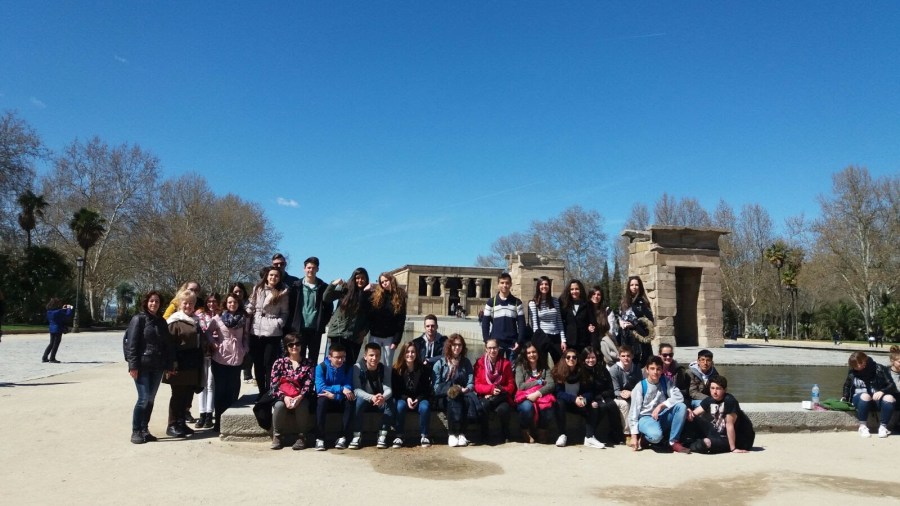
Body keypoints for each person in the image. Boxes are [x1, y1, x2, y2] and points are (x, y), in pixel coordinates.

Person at [124, 291, 174, 444]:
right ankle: (136, 430)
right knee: (143, 398)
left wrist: (169, 364)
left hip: (157, 365)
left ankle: (145, 429)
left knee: (151, 399)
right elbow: (131, 344)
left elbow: (167, 345)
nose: (154, 304)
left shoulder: (161, 322)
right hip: (142, 365)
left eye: (157, 301)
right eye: (151, 301)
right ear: (146, 302)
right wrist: (133, 365)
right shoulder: (138, 319)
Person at [204, 292, 251, 432]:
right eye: (230, 302)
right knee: (220, 391)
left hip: (237, 357)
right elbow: (207, 332)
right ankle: (218, 422)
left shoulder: (244, 318)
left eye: (235, 302)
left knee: (233, 390)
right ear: (226, 303)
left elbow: (246, 336)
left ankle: (230, 421)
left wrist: (245, 348)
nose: (232, 304)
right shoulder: (218, 318)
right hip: (220, 357)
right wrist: (213, 342)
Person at [552, 347, 613, 449]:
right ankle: (562, 435)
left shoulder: (582, 372)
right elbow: (558, 393)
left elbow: (589, 391)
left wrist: (584, 399)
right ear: (564, 359)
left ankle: (589, 437)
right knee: (559, 403)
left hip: (579, 403)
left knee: (594, 406)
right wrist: (573, 399)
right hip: (565, 403)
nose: (571, 359)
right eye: (568, 357)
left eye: (574, 357)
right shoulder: (558, 372)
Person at [163, 290, 204, 438]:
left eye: (191, 303)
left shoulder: (195, 319)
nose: (188, 305)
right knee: (178, 395)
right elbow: (169, 344)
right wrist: (171, 363)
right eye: (185, 303)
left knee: (187, 395)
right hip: (179, 363)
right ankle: (172, 424)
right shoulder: (175, 321)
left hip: (192, 363)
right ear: (180, 304)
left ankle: (181, 423)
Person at [628, 356, 690, 453]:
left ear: (662, 370)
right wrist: (634, 436)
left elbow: (679, 397)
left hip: (661, 415)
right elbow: (633, 413)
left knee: (681, 407)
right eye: (652, 369)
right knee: (656, 436)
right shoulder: (640, 386)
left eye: (658, 369)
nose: (655, 372)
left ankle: (673, 442)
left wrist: (661, 405)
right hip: (646, 418)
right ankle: (646, 438)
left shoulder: (665, 381)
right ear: (647, 370)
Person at [247, 266, 290, 396]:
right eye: (271, 275)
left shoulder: (283, 292)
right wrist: (246, 314)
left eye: (276, 276)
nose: (273, 278)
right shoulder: (258, 288)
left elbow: (285, 312)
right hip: (255, 330)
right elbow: (251, 304)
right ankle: (261, 392)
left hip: (272, 331)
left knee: (269, 364)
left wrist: (278, 324)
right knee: (258, 364)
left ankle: (269, 392)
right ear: (267, 276)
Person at [269, 334, 315, 450]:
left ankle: (302, 436)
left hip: (301, 395)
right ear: (286, 347)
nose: (294, 347)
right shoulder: (279, 363)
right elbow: (273, 385)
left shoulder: (308, 363)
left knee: (302, 406)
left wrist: (300, 397)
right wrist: (285, 397)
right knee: (279, 406)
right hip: (282, 395)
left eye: (297, 344)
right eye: (291, 344)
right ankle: (277, 436)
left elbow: (309, 384)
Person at [688, 376, 754, 453]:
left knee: (706, 443)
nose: (714, 392)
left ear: (725, 390)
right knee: (689, 417)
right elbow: (694, 414)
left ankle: (691, 444)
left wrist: (733, 448)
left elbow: (730, 425)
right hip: (714, 432)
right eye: (712, 388)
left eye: (718, 388)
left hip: (727, 438)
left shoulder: (730, 401)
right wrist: (689, 411)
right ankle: (682, 441)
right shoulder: (710, 399)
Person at [286, 256, 333, 363]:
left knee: (313, 358)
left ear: (317, 269)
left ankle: (311, 379)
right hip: (299, 328)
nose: (310, 270)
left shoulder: (323, 287)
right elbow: (290, 306)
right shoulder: (296, 286)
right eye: (308, 267)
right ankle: (299, 379)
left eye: (313, 268)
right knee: (298, 356)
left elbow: (329, 308)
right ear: (304, 268)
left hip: (315, 329)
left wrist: (322, 322)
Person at [433, 333, 476, 447]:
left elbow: (471, 382)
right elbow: (436, 387)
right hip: (444, 396)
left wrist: (466, 389)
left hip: (463, 394)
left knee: (461, 399)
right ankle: (453, 433)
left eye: (460, 345)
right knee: (453, 399)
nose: (457, 348)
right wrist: (452, 389)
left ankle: (461, 434)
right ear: (449, 346)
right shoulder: (440, 363)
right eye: (454, 345)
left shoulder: (466, 363)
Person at [323, 267, 373, 366]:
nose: (360, 280)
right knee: (333, 362)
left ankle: (347, 382)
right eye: (357, 278)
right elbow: (326, 298)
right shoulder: (345, 290)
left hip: (354, 336)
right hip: (338, 332)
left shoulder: (369, 296)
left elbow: (370, 317)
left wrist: (364, 332)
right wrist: (333, 284)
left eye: (363, 278)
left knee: (350, 364)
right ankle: (331, 381)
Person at [841, 351, 896, 438]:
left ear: (865, 360)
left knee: (889, 398)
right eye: (855, 366)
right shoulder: (852, 371)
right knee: (865, 395)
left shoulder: (880, 368)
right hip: (860, 399)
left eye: (859, 364)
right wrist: (844, 397)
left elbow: (892, 385)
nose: (857, 367)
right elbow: (847, 385)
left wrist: (882, 391)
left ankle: (883, 427)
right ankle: (863, 426)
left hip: (877, 399)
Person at [351, 343, 394, 449]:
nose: (374, 358)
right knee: (359, 401)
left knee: (391, 401)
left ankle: (382, 434)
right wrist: (371, 397)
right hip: (365, 399)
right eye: (371, 355)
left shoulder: (384, 369)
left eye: (377, 355)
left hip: (379, 400)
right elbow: (356, 390)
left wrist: (383, 397)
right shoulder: (357, 368)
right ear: (365, 356)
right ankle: (357, 435)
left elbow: (388, 388)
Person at [392, 341, 434, 447]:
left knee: (425, 407)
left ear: (416, 354)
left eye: (413, 352)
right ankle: (399, 435)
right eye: (407, 352)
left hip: (420, 398)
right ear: (403, 353)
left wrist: (418, 399)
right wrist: (407, 399)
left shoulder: (423, 369)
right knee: (400, 406)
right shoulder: (396, 369)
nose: (410, 355)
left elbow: (426, 390)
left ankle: (424, 435)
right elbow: (396, 390)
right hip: (404, 398)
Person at [314, 343, 355, 451]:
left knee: (350, 400)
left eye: (343, 357)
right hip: (327, 398)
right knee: (321, 401)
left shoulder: (347, 368)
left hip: (338, 399)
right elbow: (320, 388)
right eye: (337, 357)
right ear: (330, 357)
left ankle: (343, 436)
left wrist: (336, 396)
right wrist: (340, 389)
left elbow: (348, 386)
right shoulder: (321, 368)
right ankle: (320, 438)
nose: (341, 360)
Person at [473, 338, 515, 445]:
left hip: (501, 397)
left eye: (495, 348)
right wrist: (490, 390)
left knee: (504, 409)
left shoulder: (506, 364)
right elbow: (476, 385)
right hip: (485, 396)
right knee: (483, 406)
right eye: (490, 348)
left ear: (498, 348)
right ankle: (484, 434)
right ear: (486, 349)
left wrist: (501, 389)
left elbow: (511, 385)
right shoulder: (479, 363)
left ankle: (505, 433)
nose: (492, 351)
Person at [515, 341, 558, 444]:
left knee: (548, 408)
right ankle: (525, 430)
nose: (531, 355)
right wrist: (538, 382)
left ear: (538, 353)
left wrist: (538, 393)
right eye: (529, 353)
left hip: (540, 396)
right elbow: (521, 386)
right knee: (527, 408)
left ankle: (542, 430)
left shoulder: (544, 367)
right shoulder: (520, 367)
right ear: (525, 354)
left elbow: (551, 384)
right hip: (526, 397)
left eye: (534, 352)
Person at [481, 272, 526, 360]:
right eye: (502, 283)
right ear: (498, 284)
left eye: (507, 283)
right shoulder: (491, 302)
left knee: (511, 371)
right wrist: (487, 341)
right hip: (496, 343)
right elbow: (485, 324)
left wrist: (519, 341)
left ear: (510, 284)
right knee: (496, 371)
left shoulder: (517, 302)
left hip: (512, 343)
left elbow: (521, 324)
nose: (504, 285)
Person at [368, 272, 407, 368]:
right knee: (372, 363)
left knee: (388, 365)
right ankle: (372, 382)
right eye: (382, 282)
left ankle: (387, 383)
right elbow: (369, 313)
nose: (384, 283)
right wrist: (366, 290)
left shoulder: (399, 296)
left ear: (391, 280)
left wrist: (396, 341)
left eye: (386, 281)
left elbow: (401, 320)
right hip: (375, 335)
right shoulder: (376, 295)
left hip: (389, 337)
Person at [194, 293, 221, 429]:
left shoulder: (221, 316)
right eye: (209, 301)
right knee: (202, 384)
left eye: (215, 301)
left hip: (215, 353)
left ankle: (209, 414)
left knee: (211, 383)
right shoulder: (200, 316)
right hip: (201, 353)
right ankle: (202, 413)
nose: (212, 304)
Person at [609, 345, 644, 445]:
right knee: (625, 405)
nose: (626, 358)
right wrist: (623, 394)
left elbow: (641, 386)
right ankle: (627, 434)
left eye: (628, 355)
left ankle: (642, 433)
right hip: (619, 397)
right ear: (619, 357)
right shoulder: (614, 370)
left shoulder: (637, 369)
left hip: (634, 394)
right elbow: (615, 390)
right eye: (623, 356)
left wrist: (632, 393)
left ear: (632, 356)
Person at [527, 276, 566, 365]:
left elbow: (559, 321)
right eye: (542, 284)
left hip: (556, 337)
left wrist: (563, 340)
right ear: (538, 286)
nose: (544, 286)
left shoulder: (555, 301)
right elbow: (535, 324)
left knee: (559, 363)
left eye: (546, 284)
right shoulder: (533, 303)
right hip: (543, 336)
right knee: (542, 364)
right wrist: (538, 340)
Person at [618, 276, 654, 367]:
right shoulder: (624, 302)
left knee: (643, 364)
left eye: (636, 285)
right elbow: (620, 316)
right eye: (632, 285)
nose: (634, 287)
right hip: (627, 337)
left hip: (641, 338)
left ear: (640, 286)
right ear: (628, 287)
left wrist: (634, 324)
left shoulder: (644, 302)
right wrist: (620, 322)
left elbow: (650, 320)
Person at [559, 279, 598, 355]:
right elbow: (560, 322)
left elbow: (592, 323)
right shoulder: (563, 304)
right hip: (568, 342)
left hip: (584, 342)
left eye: (577, 289)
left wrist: (593, 344)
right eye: (572, 289)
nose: (574, 291)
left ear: (580, 290)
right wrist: (562, 340)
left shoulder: (588, 304)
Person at [229, 282, 254, 384]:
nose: (238, 294)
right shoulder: (230, 304)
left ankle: (247, 375)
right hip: (234, 336)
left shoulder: (250, 304)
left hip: (249, 333)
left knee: (248, 355)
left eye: (240, 291)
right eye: (236, 291)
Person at [590, 286, 619, 367]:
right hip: (589, 344)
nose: (596, 296)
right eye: (593, 294)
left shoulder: (607, 311)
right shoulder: (585, 310)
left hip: (604, 343)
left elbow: (611, 329)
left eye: (598, 294)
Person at [43, 298, 73, 363]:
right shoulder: (59, 311)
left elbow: (58, 313)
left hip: (51, 328)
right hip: (58, 329)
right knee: (56, 344)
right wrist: (69, 308)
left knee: (51, 343)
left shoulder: (49, 312)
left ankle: (44, 357)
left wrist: (63, 308)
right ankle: (52, 358)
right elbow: (67, 316)